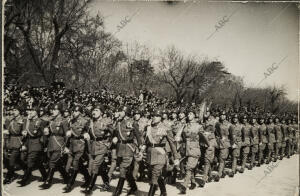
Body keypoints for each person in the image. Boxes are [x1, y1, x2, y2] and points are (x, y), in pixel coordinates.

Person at [144, 110, 179, 196]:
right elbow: (145, 141)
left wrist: (176, 157)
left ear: (160, 117)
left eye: (157, 116)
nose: (154, 117)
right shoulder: (149, 127)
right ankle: (163, 192)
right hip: (150, 153)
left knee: (155, 175)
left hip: (160, 153)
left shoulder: (166, 128)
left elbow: (172, 143)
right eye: (153, 115)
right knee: (155, 174)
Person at [177, 108, 209, 194]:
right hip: (186, 149)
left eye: (191, 114)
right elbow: (182, 137)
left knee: (189, 168)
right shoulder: (185, 125)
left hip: (194, 149)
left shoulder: (199, 126)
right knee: (189, 167)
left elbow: (204, 139)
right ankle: (193, 182)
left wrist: (205, 146)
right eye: (188, 114)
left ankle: (184, 186)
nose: (189, 115)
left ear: (194, 115)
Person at [112, 107, 142, 196]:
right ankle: (134, 188)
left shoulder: (132, 122)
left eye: (121, 111)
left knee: (123, 168)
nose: (119, 112)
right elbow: (115, 133)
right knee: (127, 172)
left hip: (129, 148)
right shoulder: (118, 122)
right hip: (120, 147)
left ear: (126, 112)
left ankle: (118, 191)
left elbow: (138, 136)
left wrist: (140, 148)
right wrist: (114, 137)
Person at [39, 104, 69, 189]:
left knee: (52, 162)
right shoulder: (51, 120)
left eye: (55, 109)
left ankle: (48, 182)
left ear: (60, 111)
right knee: (57, 163)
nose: (53, 111)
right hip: (51, 142)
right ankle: (67, 177)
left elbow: (67, 134)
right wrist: (46, 129)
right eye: (52, 109)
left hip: (59, 142)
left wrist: (65, 146)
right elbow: (44, 124)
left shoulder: (63, 120)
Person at [17, 106, 47, 186]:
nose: (30, 112)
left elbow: (34, 133)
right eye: (30, 111)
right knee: (38, 162)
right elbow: (25, 130)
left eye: (33, 111)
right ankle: (45, 176)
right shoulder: (30, 120)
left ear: (36, 112)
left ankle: (24, 180)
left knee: (30, 161)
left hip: (36, 143)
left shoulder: (38, 121)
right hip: (30, 143)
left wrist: (26, 127)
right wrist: (24, 130)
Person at [63, 106, 89, 193]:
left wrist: (84, 135)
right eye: (73, 110)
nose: (74, 112)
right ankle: (88, 179)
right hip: (72, 143)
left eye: (76, 111)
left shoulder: (85, 121)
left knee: (75, 163)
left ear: (81, 112)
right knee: (80, 165)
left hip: (80, 144)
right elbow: (70, 133)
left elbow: (88, 133)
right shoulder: (71, 120)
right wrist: (66, 145)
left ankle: (69, 184)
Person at [3, 106, 25, 184]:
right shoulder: (12, 120)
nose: (14, 111)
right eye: (13, 110)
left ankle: (9, 177)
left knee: (11, 160)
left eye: (15, 110)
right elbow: (9, 130)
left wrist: (23, 143)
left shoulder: (23, 120)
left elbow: (24, 132)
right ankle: (27, 170)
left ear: (19, 111)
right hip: (11, 141)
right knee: (18, 159)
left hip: (18, 141)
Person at [214, 111, 230, 181]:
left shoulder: (229, 124)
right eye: (221, 115)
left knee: (222, 159)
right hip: (217, 143)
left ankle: (219, 174)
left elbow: (232, 134)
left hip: (225, 143)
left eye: (224, 115)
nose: (223, 116)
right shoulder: (216, 124)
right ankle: (223, 172)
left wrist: (232, 143)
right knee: (218, 159)